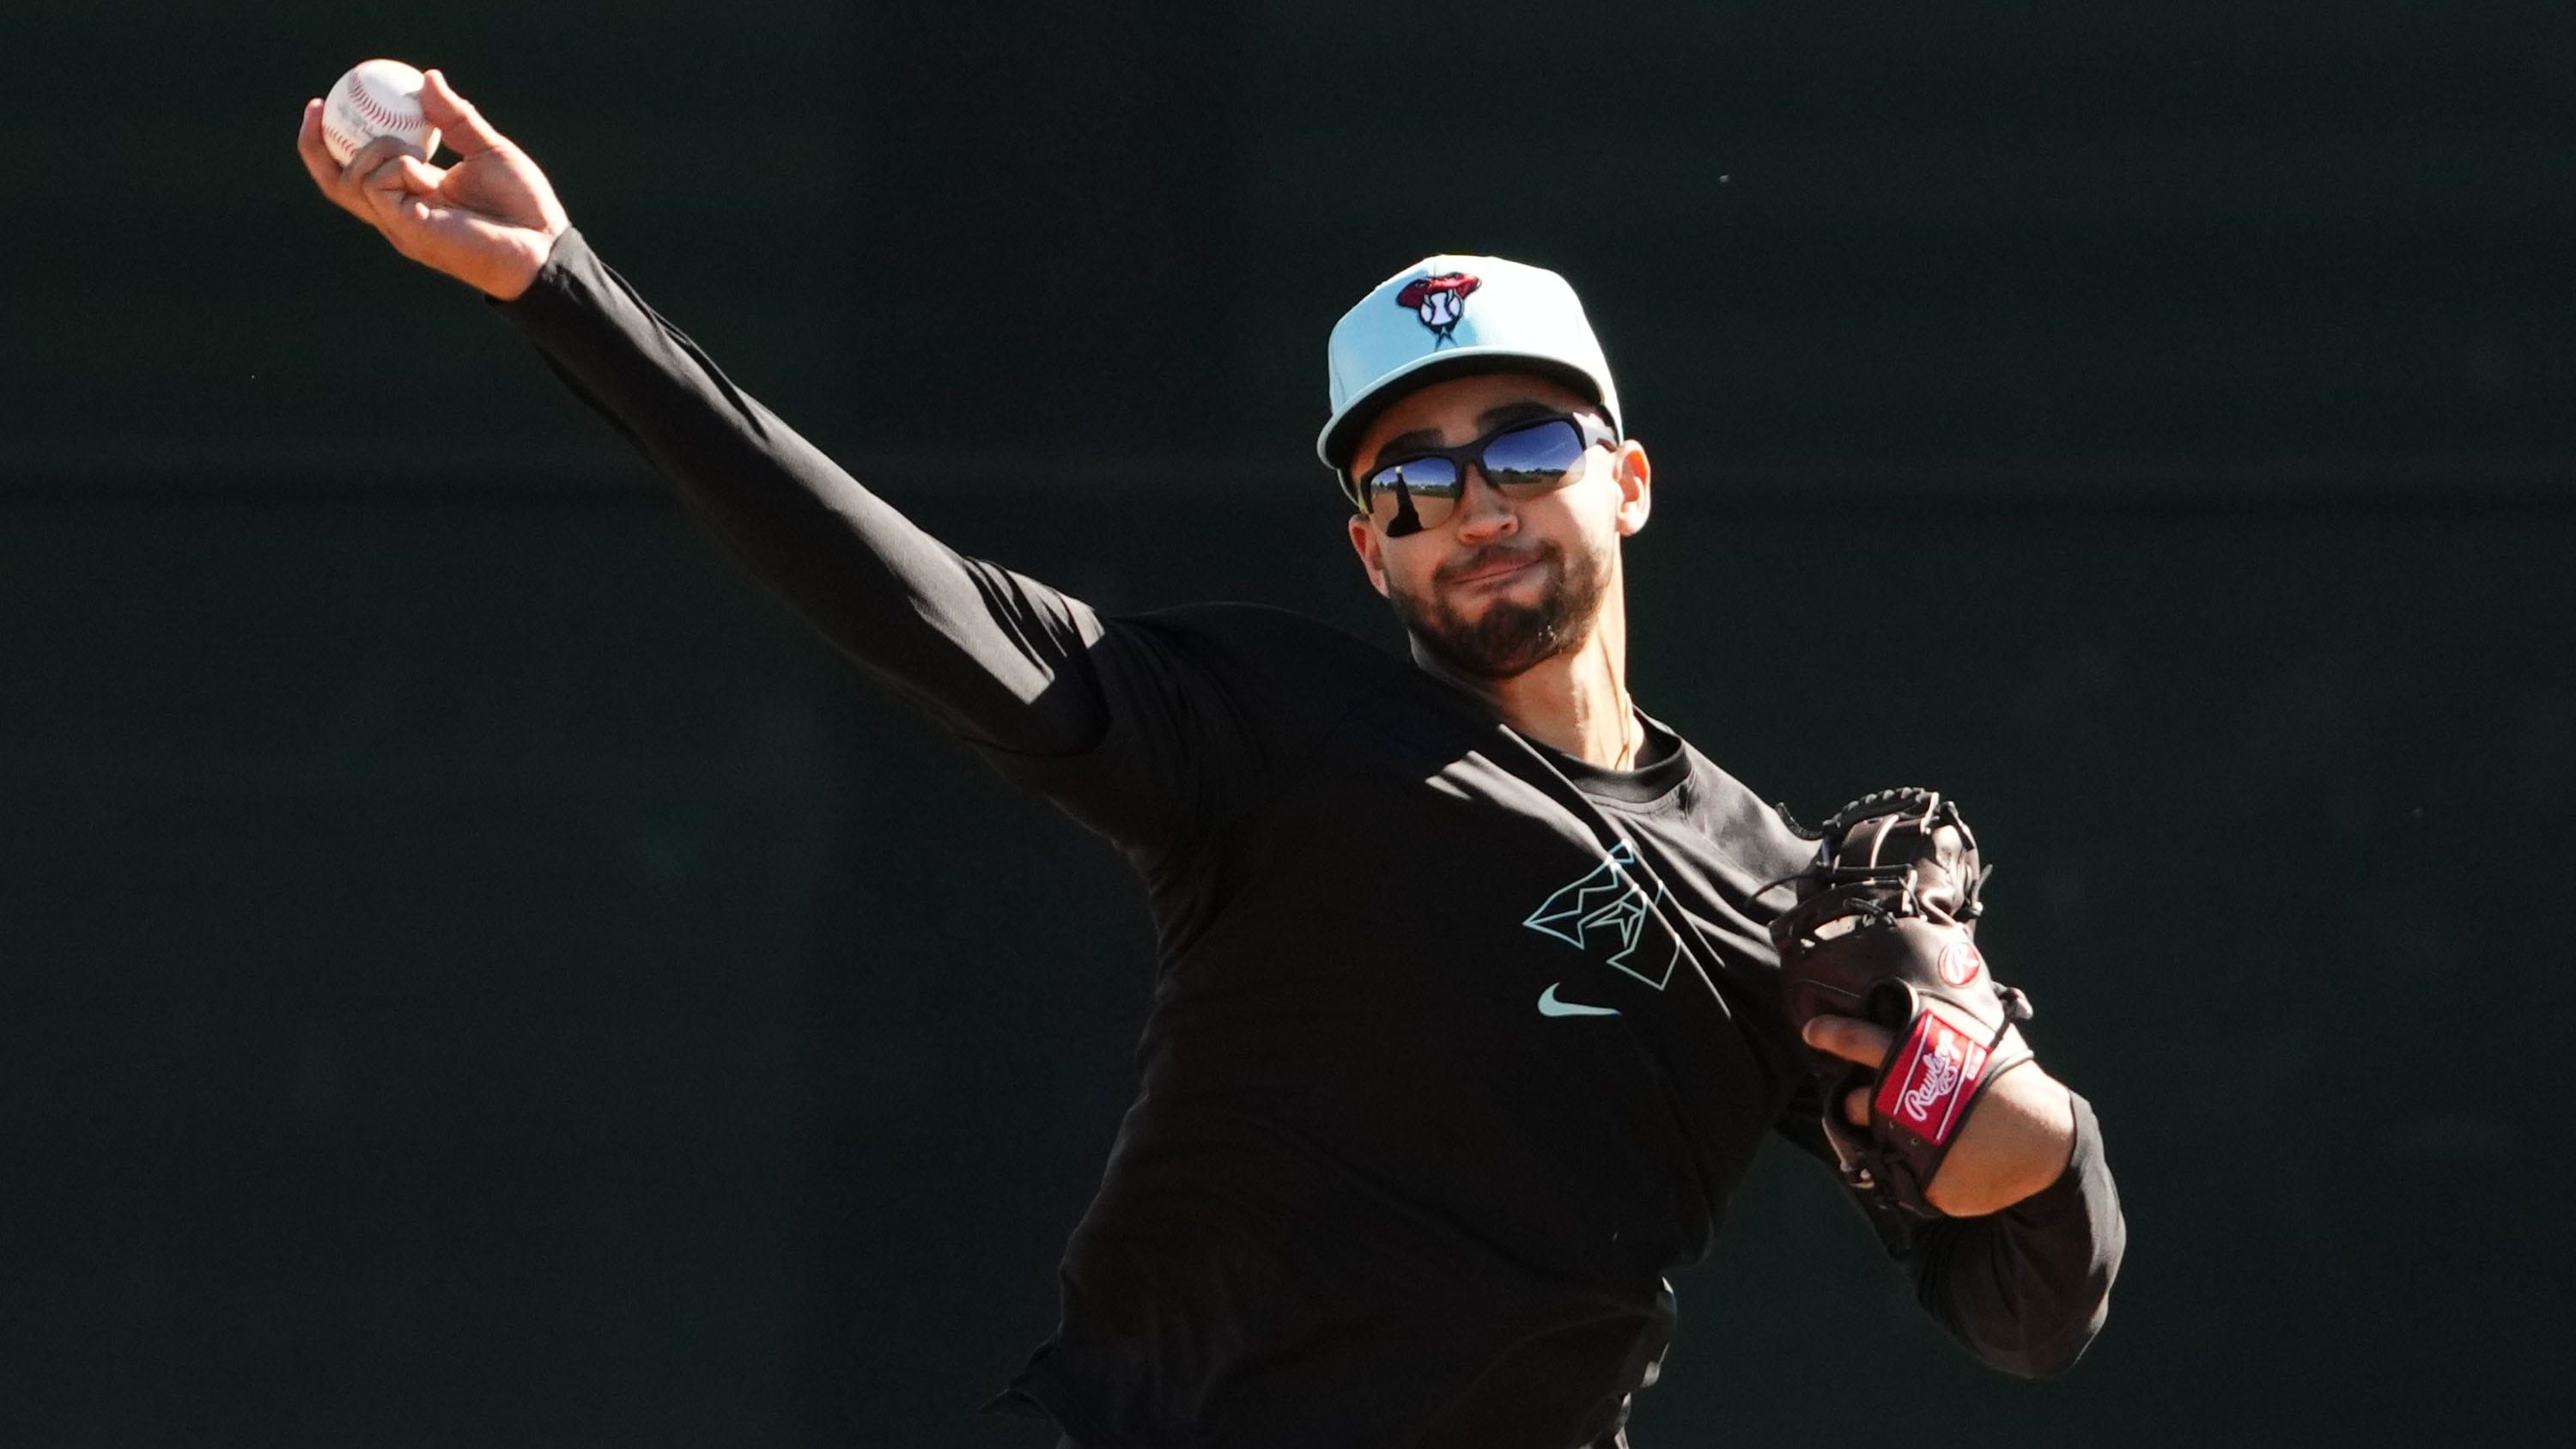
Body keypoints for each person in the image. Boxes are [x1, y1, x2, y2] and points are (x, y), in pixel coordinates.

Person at [299, 70, 2124, 1449]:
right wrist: (562, 286)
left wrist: (2008, 1097)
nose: (1469, 501)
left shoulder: (1774, 896)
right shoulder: (1265, 730)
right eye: (1406, 479)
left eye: (1520, 445)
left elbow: (2029, 1303)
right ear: (1366, 549)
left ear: (1625, 481)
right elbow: (895, 589)